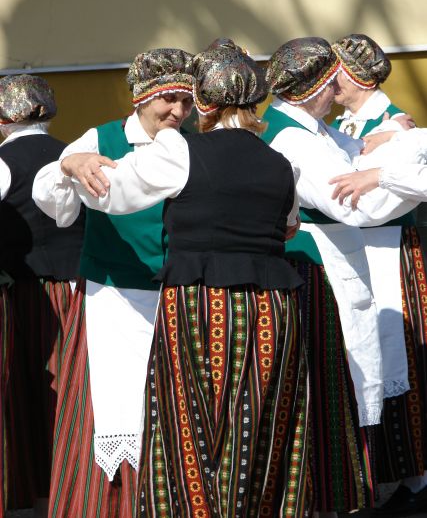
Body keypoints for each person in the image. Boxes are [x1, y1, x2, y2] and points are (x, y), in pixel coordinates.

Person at [67, 39, 311, 517]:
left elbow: (110, 193)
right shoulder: (282, 162)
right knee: (258, 423)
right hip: (270, 308)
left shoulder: (180, 151)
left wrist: (70, 162)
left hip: (202, 303)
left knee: (190, 423)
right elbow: (288, 226)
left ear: (205, 103)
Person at [260, 37, 422, 518]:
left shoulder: (309, 129)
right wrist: (388, 175)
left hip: (332, 263)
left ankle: (334, 496)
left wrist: (386, 144)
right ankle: (323, 499)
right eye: (330, 84)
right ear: (314, 89)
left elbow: (356, 151)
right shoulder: (293, 139)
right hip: (316, 267)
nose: (337, 92)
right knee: (327, 387)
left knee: (340, 384)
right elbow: (356, 203)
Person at [32, 49, 194, 518]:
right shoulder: (100, 137)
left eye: (186, 101)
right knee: (110, 407)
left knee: (171, 406)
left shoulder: (191, 145)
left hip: (178, 298)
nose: (178, 111)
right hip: (112, 298)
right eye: (168, 99)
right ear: (141, 98)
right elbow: (50, 197)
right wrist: (69, 164)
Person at [331, 35, 427, 516]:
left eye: (335, 70)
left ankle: (417, 477)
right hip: (356, 250)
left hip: (386, 250)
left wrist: (380, 149)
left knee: (398, 354)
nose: (329, 80)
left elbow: (377, 194)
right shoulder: (350, 126)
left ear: (355, 76)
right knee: (368, 356)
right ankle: (385, 475)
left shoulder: (397, 125)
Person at [0, 74, 85, 516]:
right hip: (78, 289)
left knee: (32, 389)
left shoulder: (2, 163)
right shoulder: (73, 154)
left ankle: (37, 492)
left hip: (27, 292)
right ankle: (70, 487)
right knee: (74, 390)